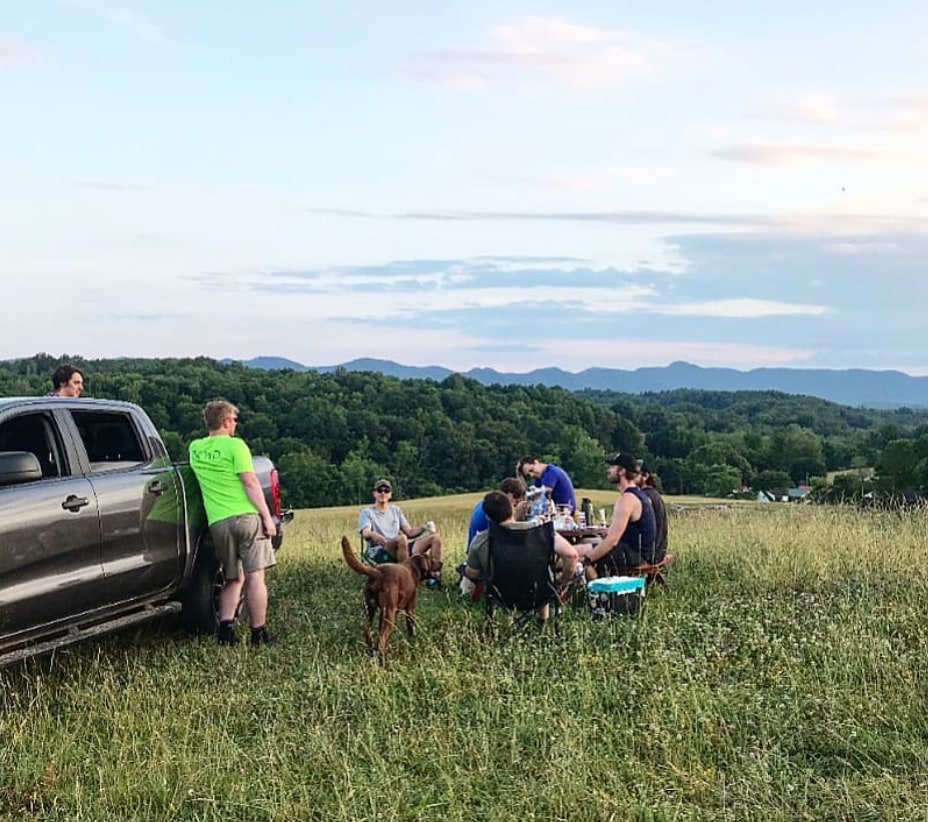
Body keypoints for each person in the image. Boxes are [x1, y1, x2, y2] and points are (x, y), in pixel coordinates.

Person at [189, 400, 278, 646]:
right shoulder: (236, 446)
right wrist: (266, 516)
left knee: (232, 578)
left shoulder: (195, 448)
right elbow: (249, 482)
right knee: (255, 576)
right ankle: (258, 633)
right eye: (234, 420)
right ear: (226, 421)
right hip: (245, 517)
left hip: (218, 521)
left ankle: (226, 630)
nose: (235, 424)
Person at [464, 491, 579, 596]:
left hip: (501, 595)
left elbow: (472, 574)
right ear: (512, 508)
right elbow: (571, 555)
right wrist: (562, 583)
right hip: (539, 592)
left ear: (488, 517)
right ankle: (543, 617)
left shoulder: (480, 541)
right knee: (575, 567)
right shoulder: (539, 530)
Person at [575, 453, 655, 578]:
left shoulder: (627, 499)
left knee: (574, 557)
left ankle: (597, 594)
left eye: (612, 467)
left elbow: (612, 541)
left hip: (632, 555)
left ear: (621, 471)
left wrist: (587, 559)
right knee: (575, 550)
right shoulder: (639, 494)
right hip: (636, 552)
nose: (608, 470)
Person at [358, 478, 443, 586]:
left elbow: (410, 532)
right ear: (374, 493)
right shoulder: (367, 512)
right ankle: (407, 578)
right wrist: (373, 534)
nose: (383, 493)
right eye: (379, 490)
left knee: (435, 538)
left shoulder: (396, 510)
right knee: (401, 538)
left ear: (390, 495)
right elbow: (365, 532)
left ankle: (434, 578)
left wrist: (423, 527)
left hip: (401, 547)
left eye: (386, 490)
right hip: (381, 549)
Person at [465, 476, 529, 550]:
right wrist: (517, 515)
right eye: (516, 501)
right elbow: (505, 531)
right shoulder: (495, 508)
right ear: (510, 496)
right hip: (484, 551)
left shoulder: (486, 503)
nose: (515, 505)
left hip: (476, 548)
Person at [637, 462, 668, 564]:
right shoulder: (654, 494)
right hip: (660, 551)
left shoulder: (645, 497)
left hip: (650, 554)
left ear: (645, 476)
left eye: (635, 474)